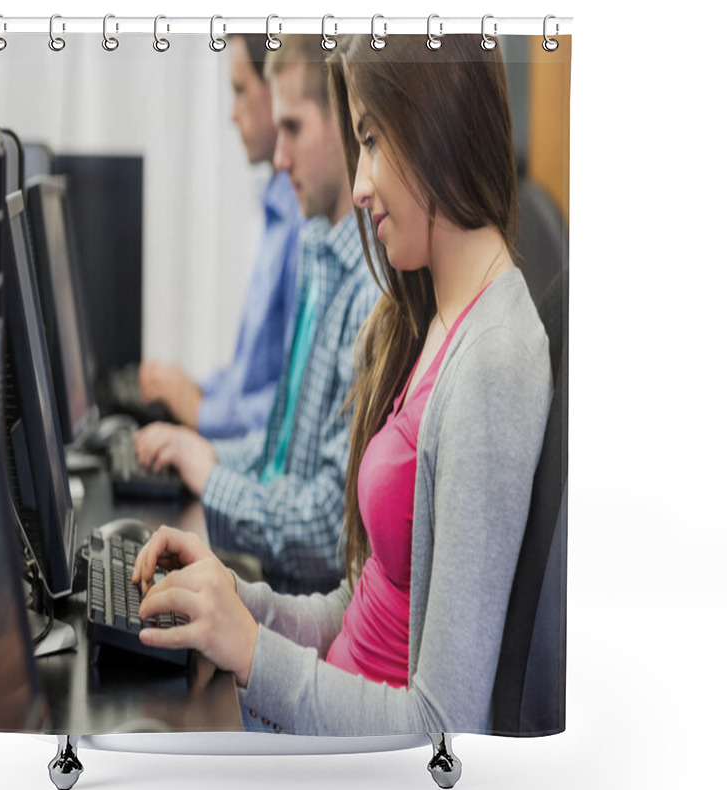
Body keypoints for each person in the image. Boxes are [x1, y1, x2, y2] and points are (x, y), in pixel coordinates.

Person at [132, 34, 553, 735]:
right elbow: (362, 609)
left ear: (436, 120)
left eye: (373, 140)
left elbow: (438, 728)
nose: (359, 186)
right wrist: (238, 603)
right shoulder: (428, 319)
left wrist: (253, 651)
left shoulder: (493, 364)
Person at [133, 36, 379, 595]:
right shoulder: (321, 254)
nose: (280, 156)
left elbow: (331, 530)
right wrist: (206, 454)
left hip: (302, 602)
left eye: (293, 127)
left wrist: (213, 479)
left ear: (344, 124)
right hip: (280, 586)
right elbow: (281, 453)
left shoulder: (369, 293)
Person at [138, 34, 302, 439]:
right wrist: (195, 389)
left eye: (241, 92)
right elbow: (252, 377)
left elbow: (291, 404)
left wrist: (200, 409)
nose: (233, 113)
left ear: (279, 86)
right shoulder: (280, 203)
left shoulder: (306, 221)